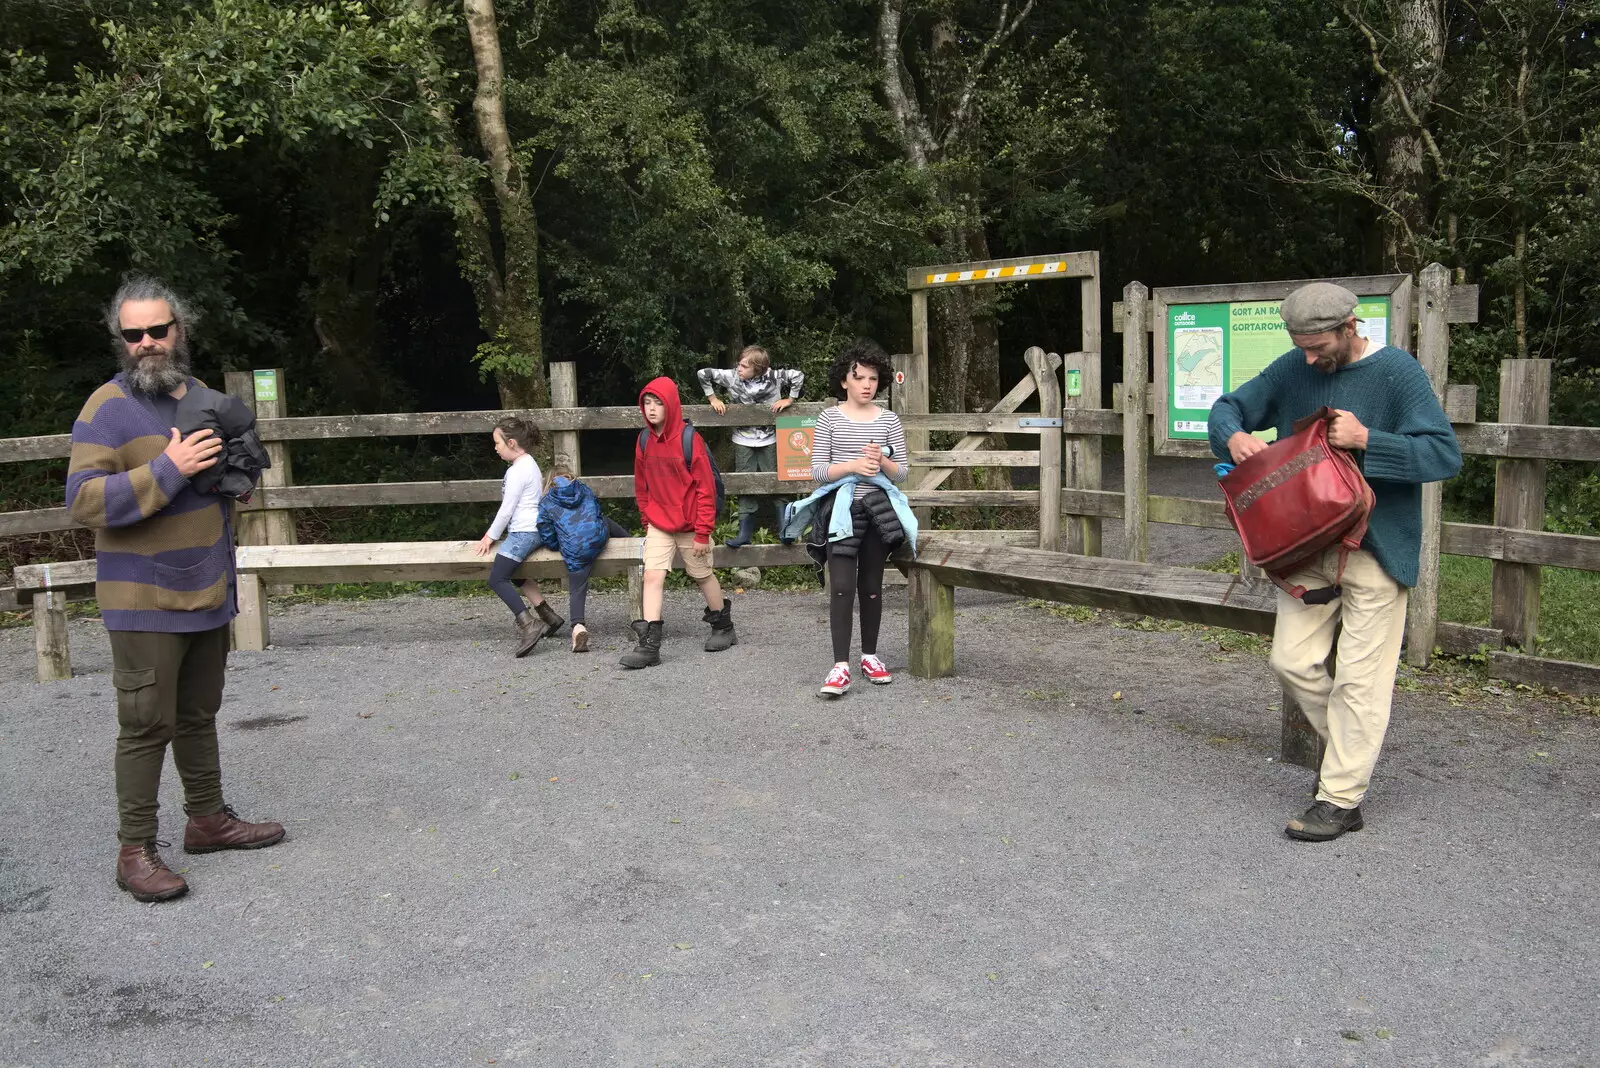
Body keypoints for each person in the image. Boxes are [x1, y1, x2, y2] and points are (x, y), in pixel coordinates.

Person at [1208, 282, 1462, 842]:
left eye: (1317, 345)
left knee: (1361, 681)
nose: (1308, 358)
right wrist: (1233, 437)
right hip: (1306, 549)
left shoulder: (1398, 373)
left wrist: (1370, 439)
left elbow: (1444, 455)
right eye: (1300, 345)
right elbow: (1228, 407)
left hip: (1375, 550)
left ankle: (1341, 797)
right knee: (1290, 661)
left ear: (1351, 328)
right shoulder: (1293, 368)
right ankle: (1352, 755)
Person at [66, 275, 284, 903]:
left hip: (208, 588)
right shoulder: (105, 408)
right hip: (142, 601)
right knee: (144, 724)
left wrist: (239, 478)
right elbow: (82, 502)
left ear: (178, 331)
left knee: (198, 714)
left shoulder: (208, 400)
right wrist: (168, 468)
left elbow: (237, 472)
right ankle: (134, 851)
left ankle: (208, 820)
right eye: (133, 334)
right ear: (120, 340)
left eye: (157, 330)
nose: (147, 343)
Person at [800, 339, 914, 699]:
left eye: (873, 378)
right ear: (844, 381)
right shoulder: (829, 417)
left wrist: (882, 461)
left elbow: (902, 473)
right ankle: (840, 666)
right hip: (840, 513)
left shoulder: (889, 419)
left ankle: (869, 656)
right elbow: (818, 471)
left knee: (872, 587)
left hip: (878, 513)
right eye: (860, 377)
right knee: (841, 587)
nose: (867, 385)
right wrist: (851, 466)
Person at [620, 377, 736, 667]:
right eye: (646, 403)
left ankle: (724, 627)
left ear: (670, 404)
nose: (651, 409)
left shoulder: (689, 439)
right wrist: (647, 517)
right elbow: (641, 483)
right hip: (659, 523)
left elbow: (705, 490)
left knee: (702, 575)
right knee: (652, 576)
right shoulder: (644, 440)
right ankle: (649, 647)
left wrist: (702, 532)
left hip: (690, 523)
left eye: (658, 402)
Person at [697, 345, 806, 547]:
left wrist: (790, 399)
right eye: (739, 364)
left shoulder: (773, 376)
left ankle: (785, 531)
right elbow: (703, 373)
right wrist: (713, 398)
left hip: (770, 439)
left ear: (758, 368)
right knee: (744, 484)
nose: (739, 368)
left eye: (744, 366)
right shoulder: (731, 376)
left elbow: (798, 375)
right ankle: (743, 534)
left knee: (777, 482)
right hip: (742, 440)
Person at [474, 417, 562, 657]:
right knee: (515, 573)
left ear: (511, 443)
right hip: (534, 529)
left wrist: (490, 536)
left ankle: (528, 623)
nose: (495, 447)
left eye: (497, 443)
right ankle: (549, 616)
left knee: (497, 578)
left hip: (525, 532)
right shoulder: (529, 463)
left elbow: (507, 509)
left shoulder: (517, 471)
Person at [535, 465, 630, 652]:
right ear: (569, 476)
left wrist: (557, 545)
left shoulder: (546, 501)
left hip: (575, 549)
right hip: (597, 538)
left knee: (577, 586)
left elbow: (546, 531)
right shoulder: (583, 489)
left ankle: (578, 626)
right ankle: (633, 543)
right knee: (605, 520)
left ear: (548, 482)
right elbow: (595, 511)